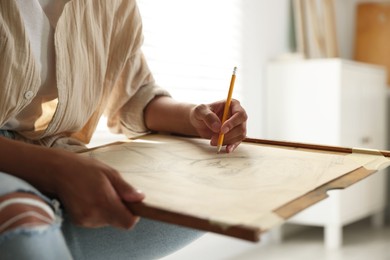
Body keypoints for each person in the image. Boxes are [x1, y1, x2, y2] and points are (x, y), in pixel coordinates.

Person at [0, 0, 248, 259]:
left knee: (215, 185)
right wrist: (55, 169)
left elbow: (133, 95)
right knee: (21, 219)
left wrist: (194, 118)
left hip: (65, 156)